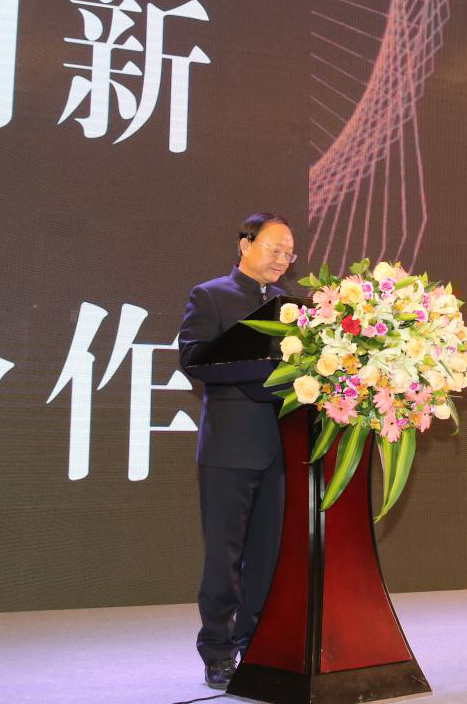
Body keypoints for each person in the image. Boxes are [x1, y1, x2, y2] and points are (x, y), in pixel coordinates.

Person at [177, 213, 297, 690]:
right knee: (223, 558)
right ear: (245, 244)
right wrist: (265, 376)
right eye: (274, 248)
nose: (282, 259)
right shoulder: (210, 295)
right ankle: (217, 651)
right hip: (228, 449)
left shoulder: (291, 306)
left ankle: (256, 644)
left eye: (289, 253)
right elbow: (194, 359)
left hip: (278, 449)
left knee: (265, 558)